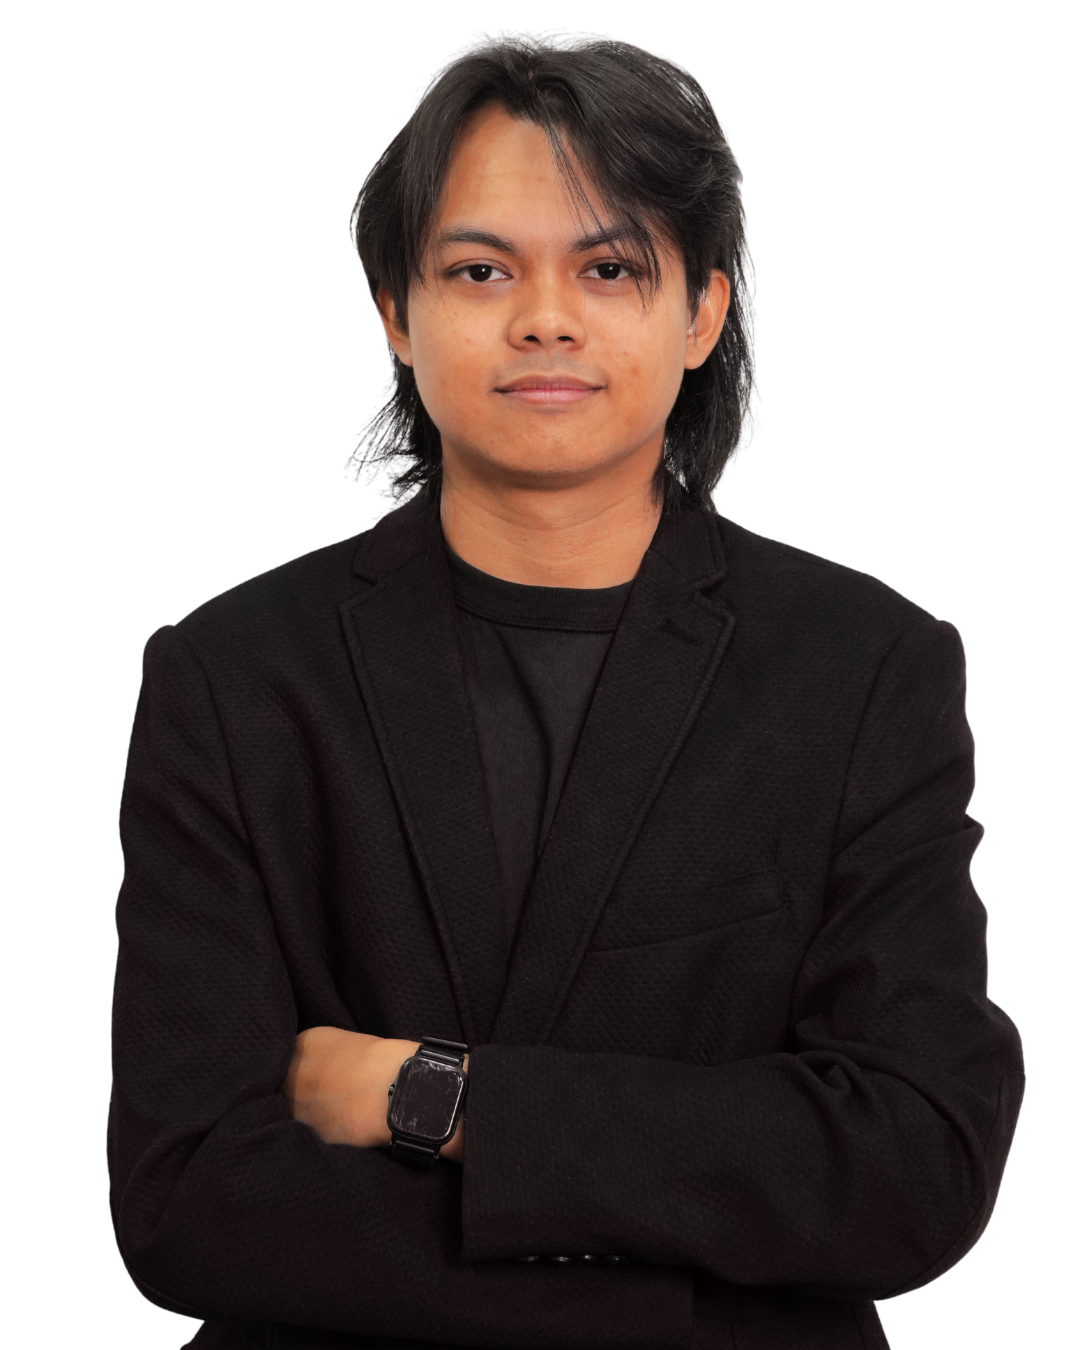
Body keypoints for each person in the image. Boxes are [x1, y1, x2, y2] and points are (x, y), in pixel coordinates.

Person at [109, 27, 1025, 1350]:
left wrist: (439, 1097)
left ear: (703, 311)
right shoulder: (232, 675)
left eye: (609, 266)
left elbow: (914, 1163)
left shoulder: (867, 668)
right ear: (396, 312)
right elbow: (187, 1198)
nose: (545, 316)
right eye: (481, 269)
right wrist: (688, 1280)